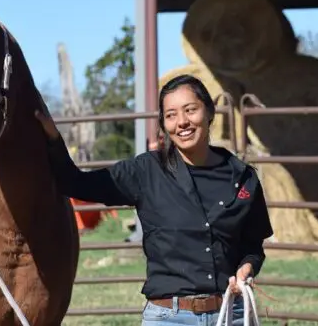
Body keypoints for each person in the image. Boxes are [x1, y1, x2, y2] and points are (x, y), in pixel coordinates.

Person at [35, 74, 274, 325]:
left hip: (230, 314)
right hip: (169, 317)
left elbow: (252, 246)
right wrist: (53, 139)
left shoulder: (243, 177)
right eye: (170, 115)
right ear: (163, 123)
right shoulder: (146, 172)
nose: (182, 122)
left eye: (190, 110)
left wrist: (247, 267)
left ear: (210, 112)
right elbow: (74, 183)